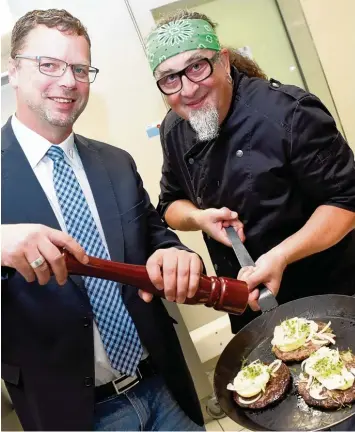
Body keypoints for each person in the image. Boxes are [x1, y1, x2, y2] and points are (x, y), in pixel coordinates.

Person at [1, 9, 206, 431]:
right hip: (75, 412)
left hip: (163, 388)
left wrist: (176, 254)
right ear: (13, 70)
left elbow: (154, 234)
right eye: (49, 65)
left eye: (79, 68)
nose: (68, 81)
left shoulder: (115, 162)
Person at [145, 10, 355, 334]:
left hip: (327, 298)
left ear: (224, 62)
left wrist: (282, 255)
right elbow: (170, 204)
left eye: (197, 67)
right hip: (249, 310)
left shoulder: (290, 113)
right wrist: (200, 219)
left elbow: (346, 202)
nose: (187, 90)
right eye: (170, 78)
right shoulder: (174, 128)